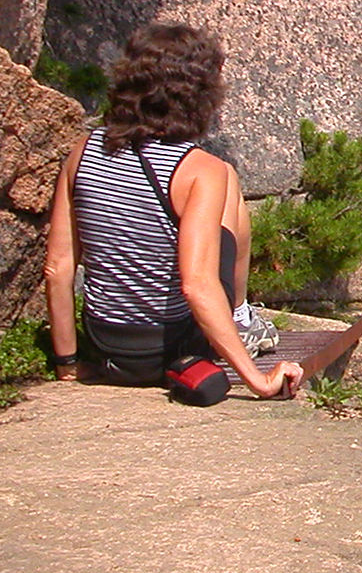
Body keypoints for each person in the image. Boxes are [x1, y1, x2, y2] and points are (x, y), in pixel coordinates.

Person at [43, 23, 303, 399]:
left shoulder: (81, 152)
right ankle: (241, 318)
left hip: (107, 349)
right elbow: (196, 284)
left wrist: (67, 362)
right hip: (175, 349)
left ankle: (240, 316)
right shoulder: (200, 169)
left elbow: (58, 268)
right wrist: (259, 381)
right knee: (226, 182)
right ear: (201, 94)